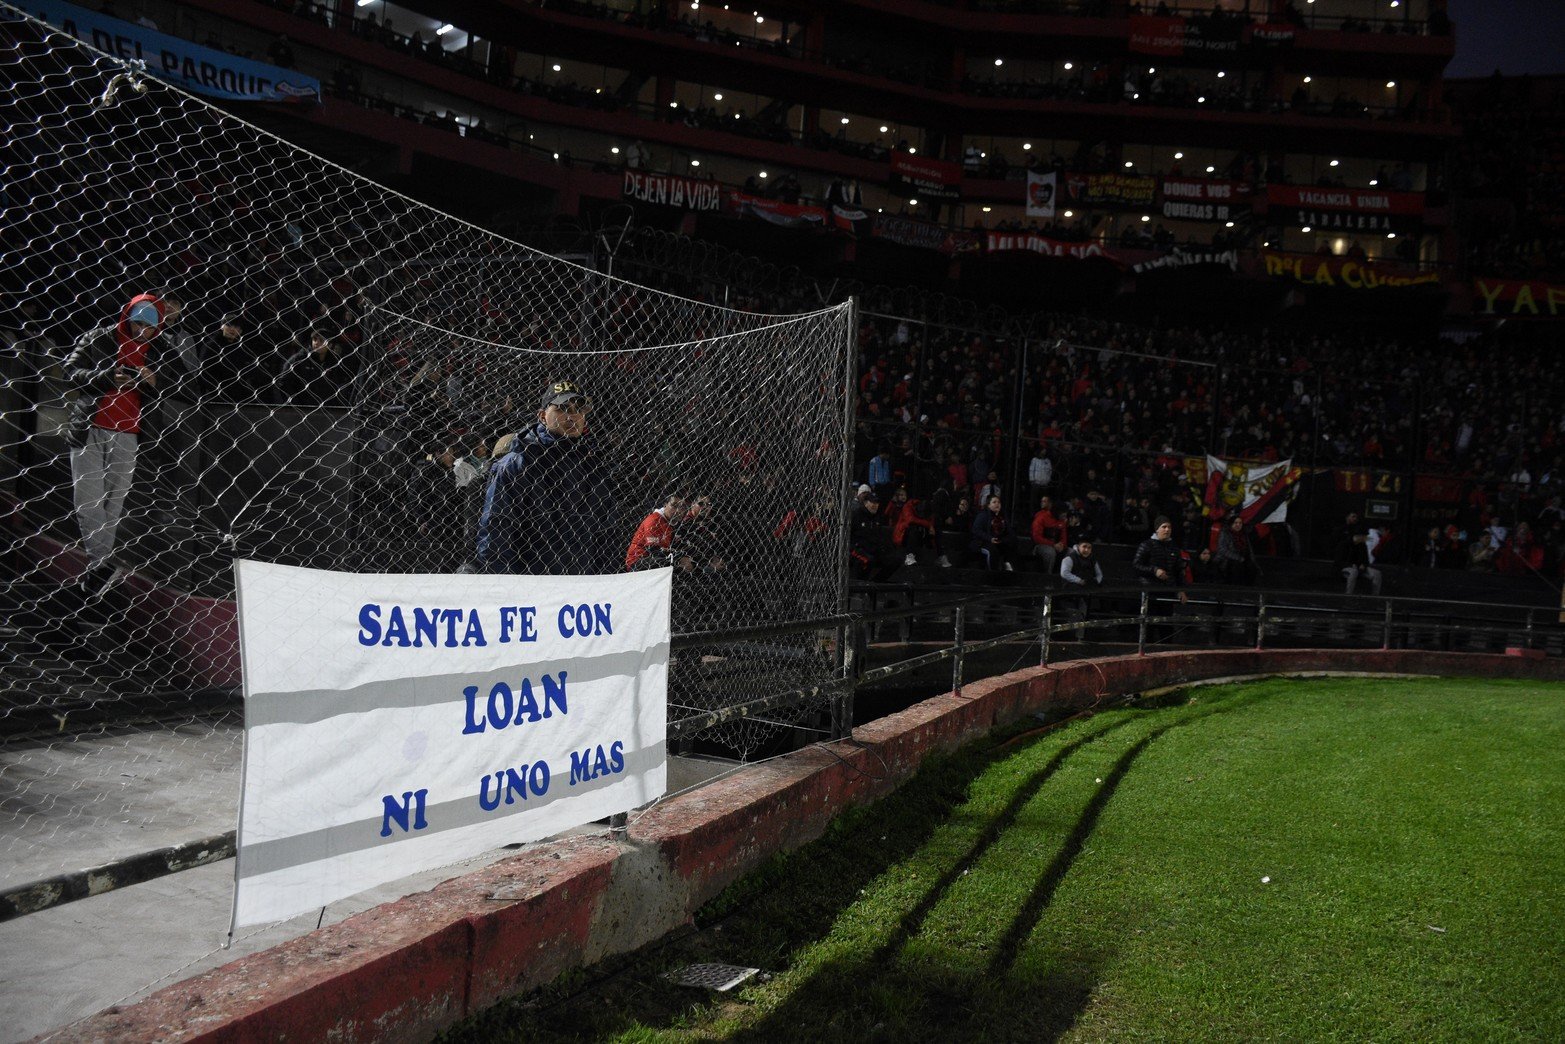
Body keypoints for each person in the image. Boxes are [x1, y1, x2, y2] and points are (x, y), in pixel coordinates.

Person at [65, 292, 163, 594]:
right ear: (127, 317)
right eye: (137, 323)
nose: (142, 331)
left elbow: (182, 384)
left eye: (149, 327)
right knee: (87, 500)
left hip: (129, 433)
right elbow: (70, 371)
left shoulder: (160, 350)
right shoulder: (99, 337)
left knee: (113, 503)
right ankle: (100, 565)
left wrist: (152, 381)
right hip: (89, 427)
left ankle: (98, 569)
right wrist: (107, 377)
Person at [475, 380, 616, 575]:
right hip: (530, 582)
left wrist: (605, 581)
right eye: (562, 408)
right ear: (542, 416)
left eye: (579, 409)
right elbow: (496, 527)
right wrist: (504, 583)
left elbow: (606, 532)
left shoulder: (593, 466)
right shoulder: (517, 463)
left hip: (583, 583)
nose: (572, 416)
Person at [625, 492, 688, 570]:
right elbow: (653, 550)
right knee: (674, 567)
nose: (678, 511)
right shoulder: (654, 520)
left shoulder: (675, 525)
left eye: (682, 508)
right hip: (638, 560)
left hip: (659, 559)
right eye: (674, 506)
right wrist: (678, 558)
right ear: (665, 505)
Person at [1133, 516, 1186, 600]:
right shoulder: (1147, 545)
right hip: (1149, 590)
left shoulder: (1174, 548)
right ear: (1157, 529)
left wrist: (1180, 590)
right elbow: (1136, 566)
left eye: (1169, 527)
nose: (1167, 530)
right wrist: (1154, 570)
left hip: (1168, 591)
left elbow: (1178, 571)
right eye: (1164, 527)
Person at [1337, 511, 1382, 595]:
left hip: (1360, 568)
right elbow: (1340, 559)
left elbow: (1365, 559)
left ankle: (1375, 597)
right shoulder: (1344, 544)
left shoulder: (1362, 545)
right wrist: (1351, 565)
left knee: (1377, 574)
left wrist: (1363, 565)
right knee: (1353, 572)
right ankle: (1348, 596)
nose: (1364, 537)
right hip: (1346, 567)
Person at [970, 494, 1014, 571]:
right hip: (982, 542)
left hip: (998, 541)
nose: (997, 504)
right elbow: (976, 530)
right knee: (992, 551)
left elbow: (1009, 531)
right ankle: (992, 574)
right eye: (994, 502)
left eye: (999, 502)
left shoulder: (1003, 516)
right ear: (989, 505)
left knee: (1009, 547)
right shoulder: (983, 515)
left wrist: (1004, 540)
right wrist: (990, 538)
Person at [1030, 494, 1069, 575]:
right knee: (1050, 552)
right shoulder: (1041, 518)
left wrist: (1062, 545)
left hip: (1057, 545)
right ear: (1057, 512)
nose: (1065, 515)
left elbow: (1064, 537)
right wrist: (1053, 545)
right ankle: (1048, 576)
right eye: (1063, 513)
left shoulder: (1062, 521)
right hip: (1040, 545)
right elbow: (1037, 537)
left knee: (1071, 553)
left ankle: (1065, 576)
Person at [1214, 515, 1257, 585]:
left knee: (1251, 567)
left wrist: (1251, 560)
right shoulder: (1225, 533)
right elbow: (1222, 549)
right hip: (1226, 559)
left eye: (1240, 523)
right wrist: (1238, 558)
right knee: (1237, 566)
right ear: (1231, 524)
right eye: (1236, 523)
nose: (1238, 525)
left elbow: (1249, 549)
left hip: (1242, 558)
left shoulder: (1244, 534)